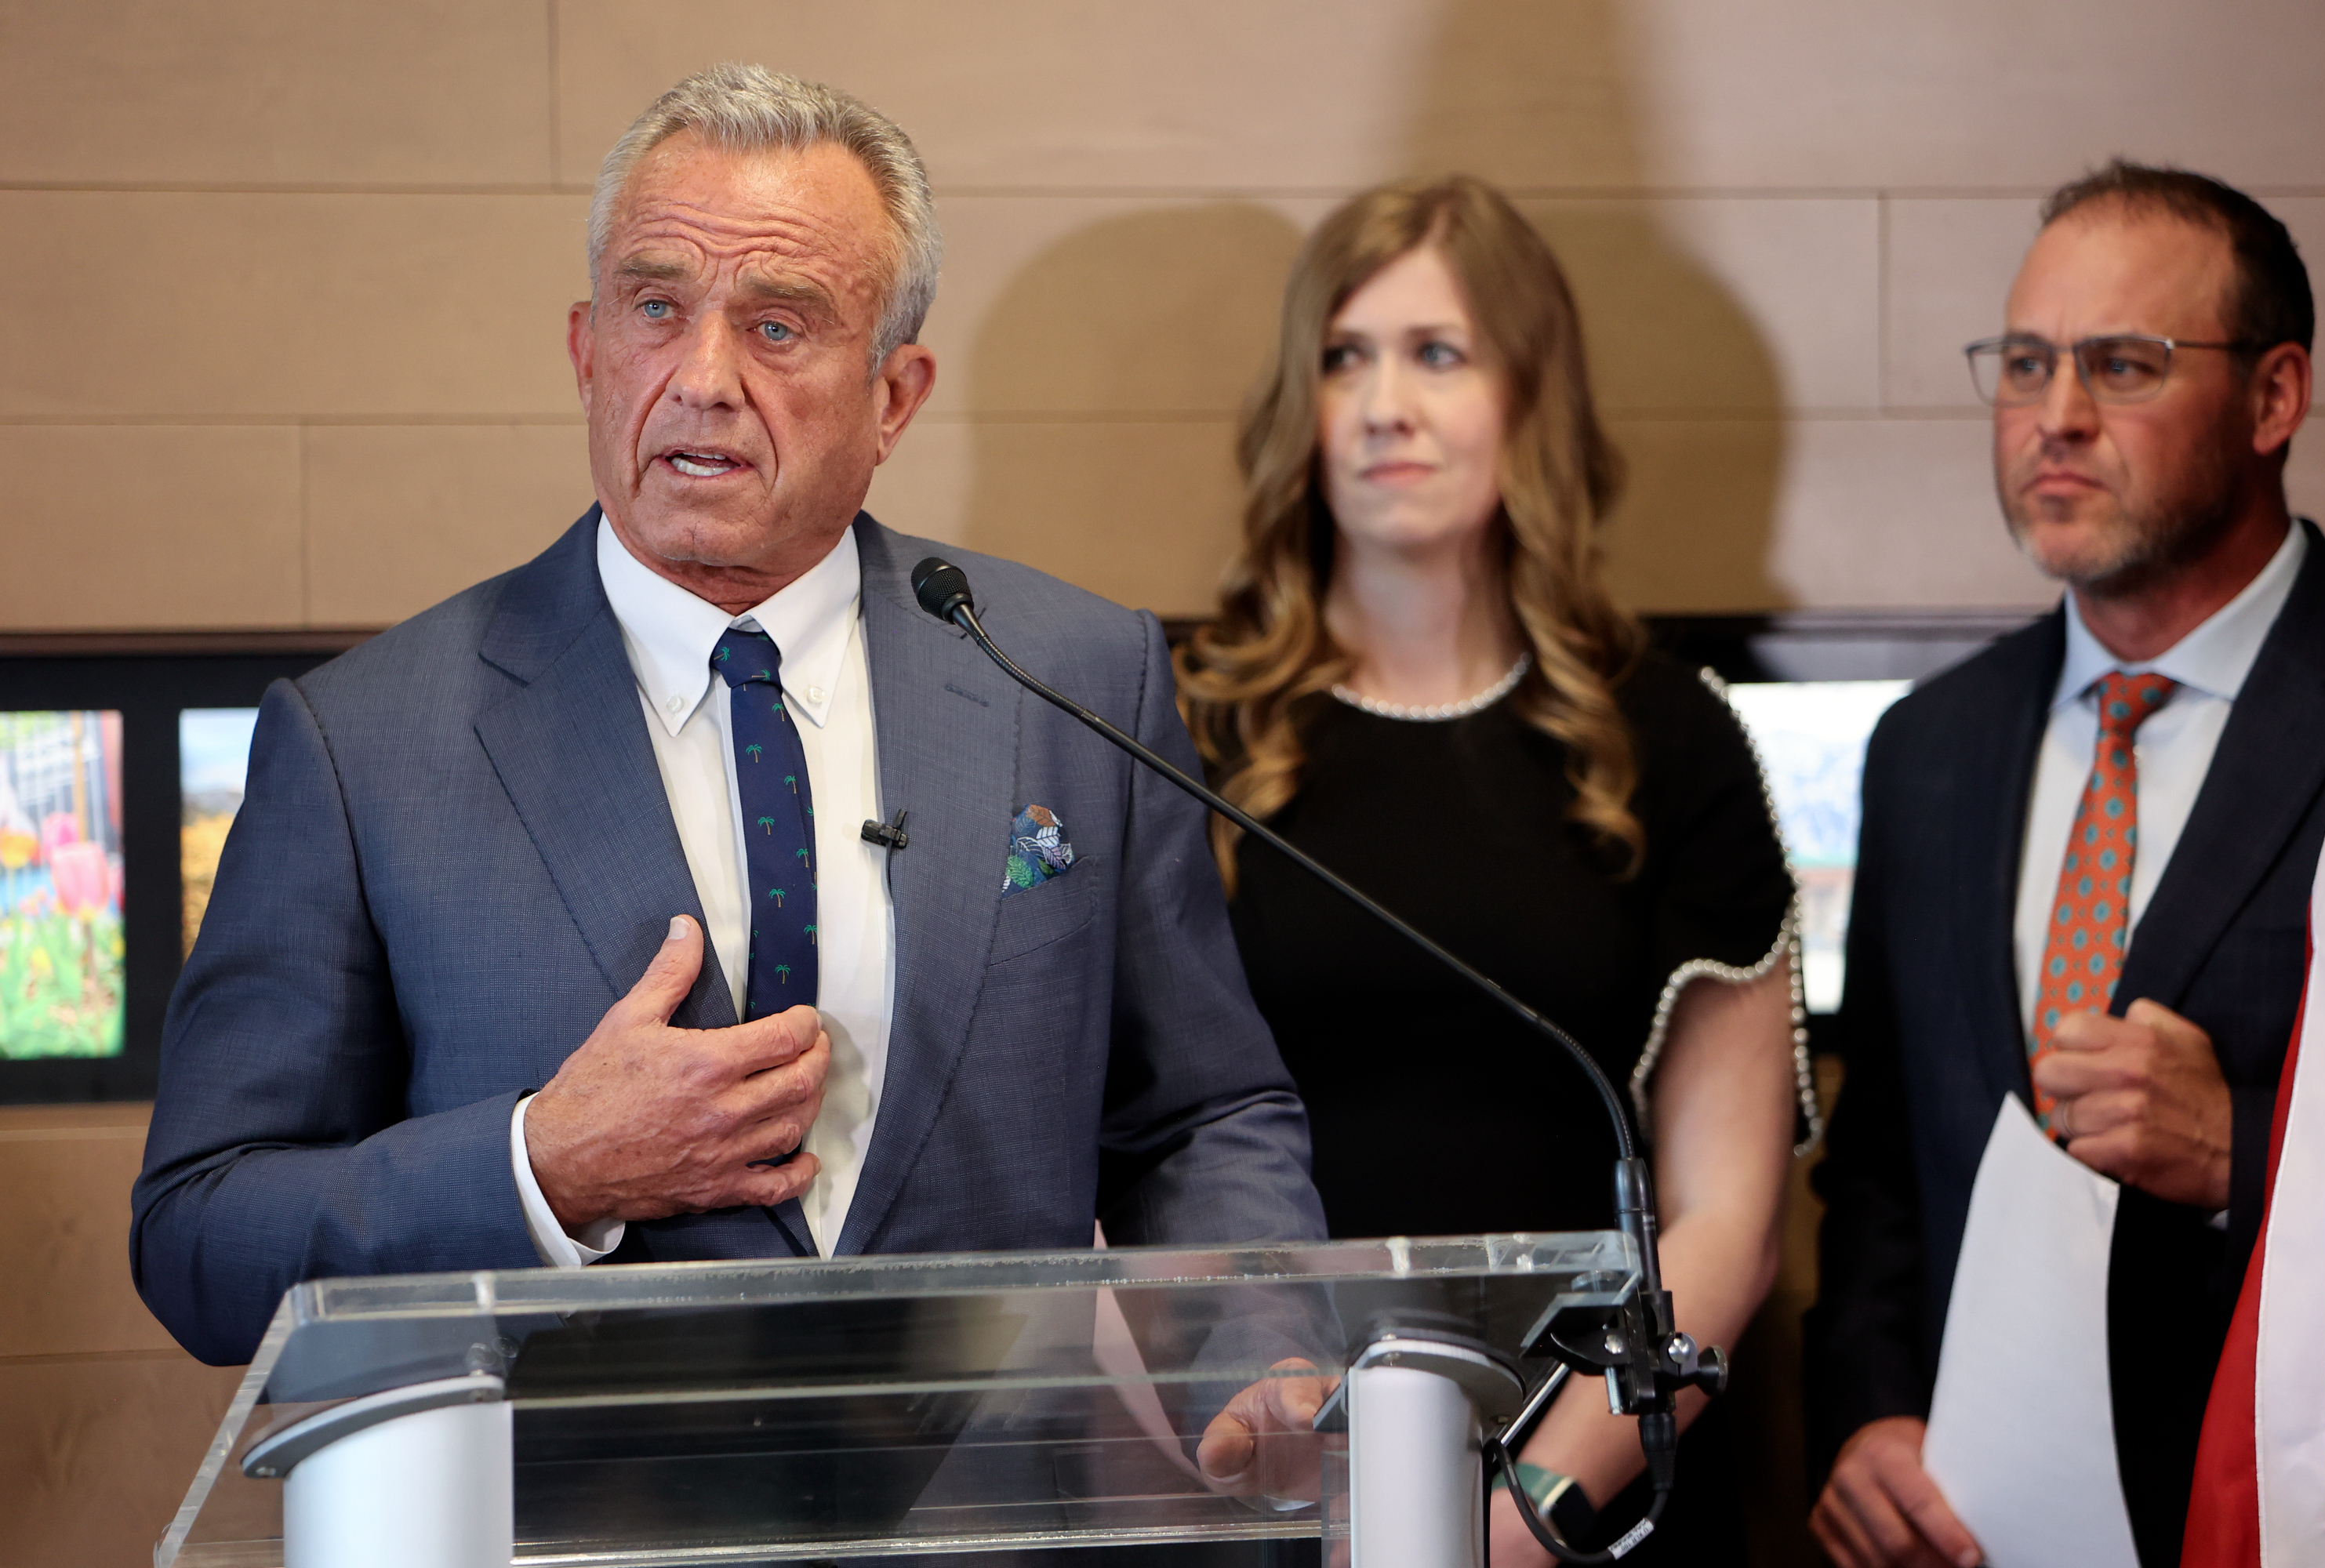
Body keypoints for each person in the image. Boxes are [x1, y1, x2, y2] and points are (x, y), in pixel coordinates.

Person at [129, 62, 1327, 1456]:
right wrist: (540, 1170)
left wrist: (1255, 1353)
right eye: (656, 309)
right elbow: (203, 1235)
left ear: (894, 396)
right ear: (588, 351)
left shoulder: (1071, 676)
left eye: (778, 324)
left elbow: (1201, 1111)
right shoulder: (364, 744)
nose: (702, 378)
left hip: (1000, 1537)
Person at [1175, 175, 1810, 1565]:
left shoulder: (1670, 737)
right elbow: (1118, 1172)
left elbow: (1727, 1218)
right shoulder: (1176, 727)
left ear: (1531, 400)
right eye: (1345, 358)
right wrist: (1295, 1484)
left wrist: (1513, 1519)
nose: (1385, 403)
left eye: (1437, 354)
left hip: (1589, 1496)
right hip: (1268, 1480)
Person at [1806, 161, 2325, 1568]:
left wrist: (2245, 1154)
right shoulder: (1927, 749)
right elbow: (1878, 1175)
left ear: (2275, 397)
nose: (2057, 418)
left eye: (2123, 364)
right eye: (2028, 363)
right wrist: (1865, 1422)